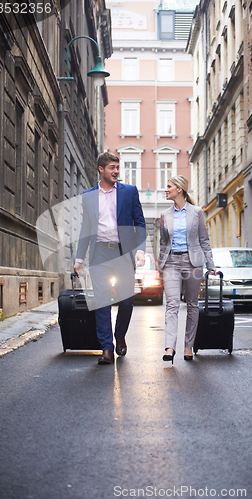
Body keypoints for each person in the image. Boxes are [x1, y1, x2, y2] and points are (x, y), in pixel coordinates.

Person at [74, 152, 146, 365]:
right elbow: (86, 228)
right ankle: (106, 348)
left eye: (117, 167)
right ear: (101, 169)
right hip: (99, 252)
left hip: (123, 252)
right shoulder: (88, 196)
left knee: (127, 301)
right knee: (102, 302)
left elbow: (140, 223)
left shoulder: (129, 192)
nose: (116, 171)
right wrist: (79, 257)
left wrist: (140, 250)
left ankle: (120, 334)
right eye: (112, 167)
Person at [159, 175, 215, 363]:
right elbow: (162, 243)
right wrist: (161, 264)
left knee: (192, 304)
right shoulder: (164, 215)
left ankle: (188, 346)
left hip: (193, 262)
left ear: (179, 189)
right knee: (172, 304)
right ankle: (169, 347)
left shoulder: (197, 212)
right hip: (172, 262)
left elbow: (204, 240)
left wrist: (211, 265)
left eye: (169, 186)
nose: (165, 189)